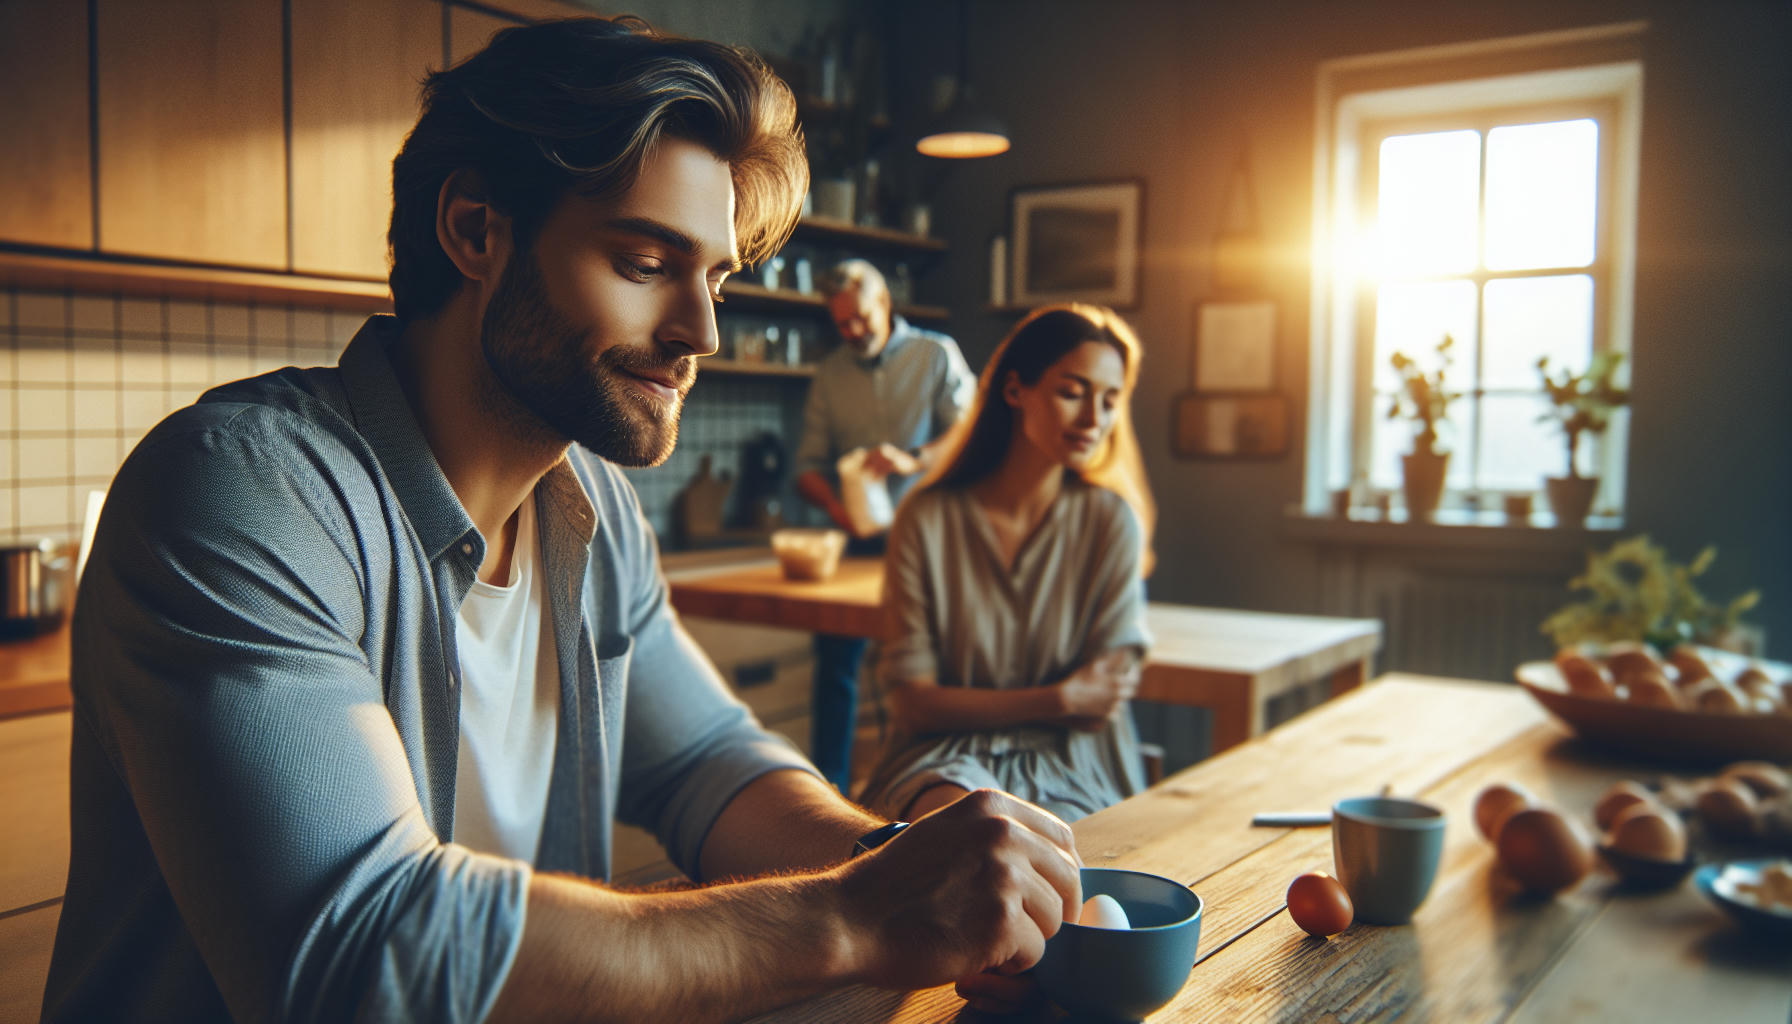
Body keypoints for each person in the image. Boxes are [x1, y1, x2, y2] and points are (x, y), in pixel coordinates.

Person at [42, 18, 1079, 1023]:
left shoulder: (592, 507)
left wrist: (894, 864)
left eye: (715, 279)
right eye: (645, 263)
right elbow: (363, 957)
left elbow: (707, 764)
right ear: (475, 230)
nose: (701, 331)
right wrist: (855, 915)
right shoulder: (242, 490)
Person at [856, 304, 1158, 824]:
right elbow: (913, 705)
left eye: (1110, 401)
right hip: (941, 758)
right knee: (966, 828)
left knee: (1046, 851)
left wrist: (1059, 702)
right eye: (1073, 392)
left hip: (1071, 767)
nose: (1094, 420)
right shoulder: (926, 518)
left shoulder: (1111, 522)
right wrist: (1060, 698)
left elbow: (1099, 704)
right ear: (1015, 390)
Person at [792, 259, 976, 792]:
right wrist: (836, 509)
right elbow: (807, 466)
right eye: (842, 323)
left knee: (930, 668)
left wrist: (913, 459)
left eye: (861, 318)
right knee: (835, 665)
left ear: (885, 304)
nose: (852, 331)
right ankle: (829, 793)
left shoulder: (935, 355)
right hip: (859, 540)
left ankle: (936, 787)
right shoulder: (830, 374)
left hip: (932, 541)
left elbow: (970, 436)